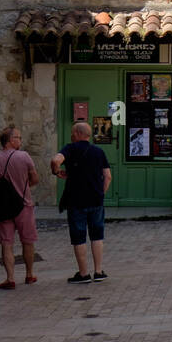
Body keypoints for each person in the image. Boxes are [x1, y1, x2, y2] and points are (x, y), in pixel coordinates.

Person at [50, 120, 111, 283]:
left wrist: (56, 172)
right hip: (96, 200)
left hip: (76, 201)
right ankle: (98, 271)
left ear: (77, 134)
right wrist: (100, 194)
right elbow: (108, 176)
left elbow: (55, 160)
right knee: (97, 235)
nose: (71, 135)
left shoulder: (69, 149)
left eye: (72, 132)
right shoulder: (99, 152)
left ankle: (83, 273)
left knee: (79, 236)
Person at [0, 126, 39, 290]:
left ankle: (10, 278)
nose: (20, 140)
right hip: (24, 205)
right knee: (27, 241)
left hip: (4, 206)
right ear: (11, 140)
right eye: (18, 137)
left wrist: (4, 193)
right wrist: (22, 186)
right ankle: (29, 274)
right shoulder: (24, 157)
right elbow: (35, 179)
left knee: (6, 243)